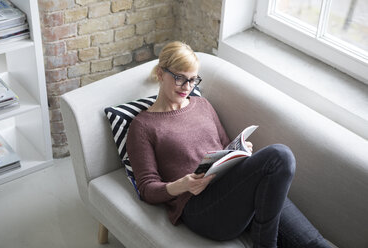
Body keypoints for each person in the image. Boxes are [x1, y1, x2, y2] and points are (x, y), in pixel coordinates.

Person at [127, 41, 331, 248]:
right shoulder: (143, 126)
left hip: (231, 188)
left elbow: (225, 146)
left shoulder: (202, 105)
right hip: (200, 207)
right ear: (161, 74)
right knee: (280, 156)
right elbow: (147, 189)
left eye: (192, 80)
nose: (187, 87)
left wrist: (240, 151)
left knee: (316, 244)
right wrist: (183, 184)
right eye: (180, 78)